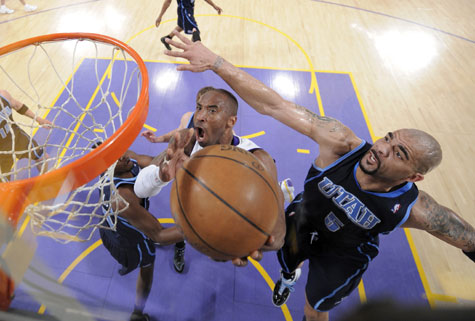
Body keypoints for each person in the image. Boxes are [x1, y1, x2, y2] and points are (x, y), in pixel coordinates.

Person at [160, 31, 475, 321]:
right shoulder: (341, 144)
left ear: (414, 177)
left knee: (314, 311)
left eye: (399, 153)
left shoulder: (413, 208)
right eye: (388, 137)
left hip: (342, 258)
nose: (381, 148)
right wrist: (216, 62)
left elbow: (467, 238)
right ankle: (288, 276)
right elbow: (274, 105)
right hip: (301, 221)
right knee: (281, 255)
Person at [133, 86, 287, 266]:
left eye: (212, 110)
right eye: (199, 108)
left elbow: (278, 239)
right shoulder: (187, 141)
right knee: (184, 222)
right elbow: (140, 190)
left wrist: (245, 239)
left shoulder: (258, 159)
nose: (199, 116)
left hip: (221, 218)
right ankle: (181, 243)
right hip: (190, 208)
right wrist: (160, 176)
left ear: (231, 121)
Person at [99, 148, 184, 321]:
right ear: (110, 167)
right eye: (116, 158)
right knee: (147, 265)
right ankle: (137, 313)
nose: (122, 156)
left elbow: (154, 164)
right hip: (126, 238)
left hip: (121, 221)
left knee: (152, 224)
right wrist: (201, 230)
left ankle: (179, 241)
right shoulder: (121, 198)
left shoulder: (126, 158)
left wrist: (175, 146)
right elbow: (159, 235)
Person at [0, 89, 51, 178]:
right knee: (4, 184)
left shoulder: (3, 95)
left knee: (43, 157)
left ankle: (44, 179)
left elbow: (17, 105)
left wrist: (39, 120)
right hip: (2, 152)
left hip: (17, 138)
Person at [155, 0, 222, 50]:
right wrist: (160, 16)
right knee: (196, 32)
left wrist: (214, 6)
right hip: (185, 12)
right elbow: (167, 2)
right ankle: (193, 53)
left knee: (181, 26)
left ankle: (166, 39)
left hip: (189, 10)